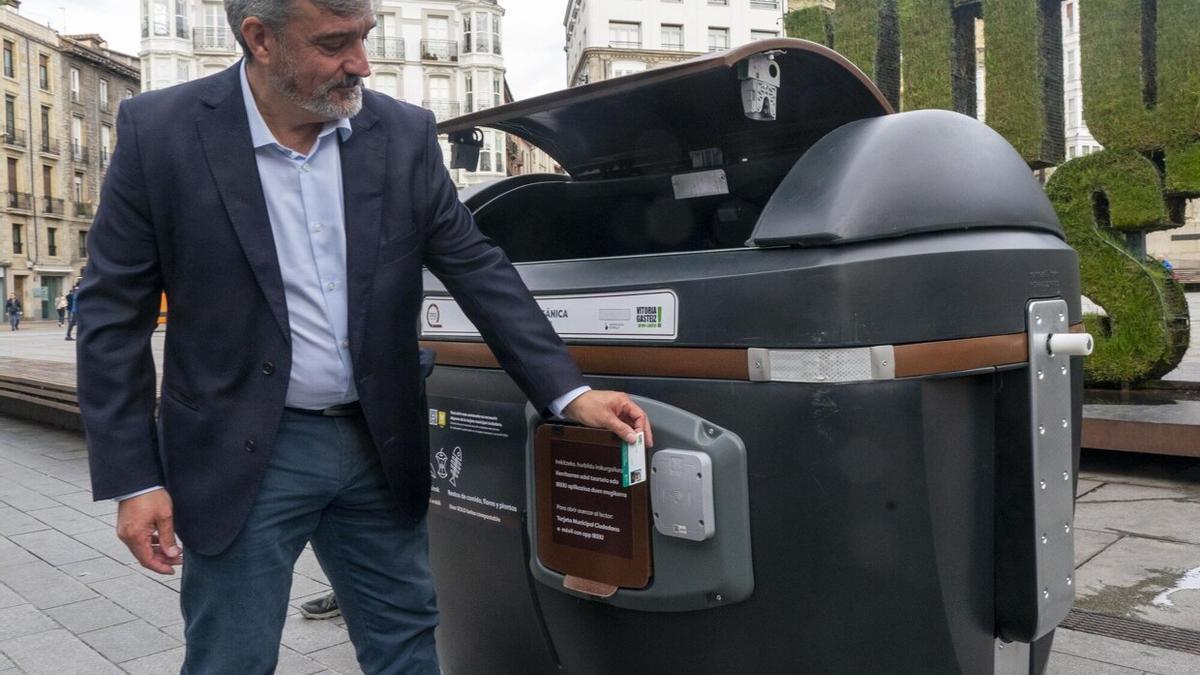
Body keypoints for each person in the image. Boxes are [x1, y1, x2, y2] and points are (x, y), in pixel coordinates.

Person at [77, 1, 652, 673]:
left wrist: (569, 392)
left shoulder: (401, 133)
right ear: (259, 39)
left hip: (376, 442)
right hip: (242, 450)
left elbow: (476, 267)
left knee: (406, 643)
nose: (361, 62)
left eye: (364, 37)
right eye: (334, 43)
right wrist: (134, 478)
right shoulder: (161, 132)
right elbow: (112, 315)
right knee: (231, 654)